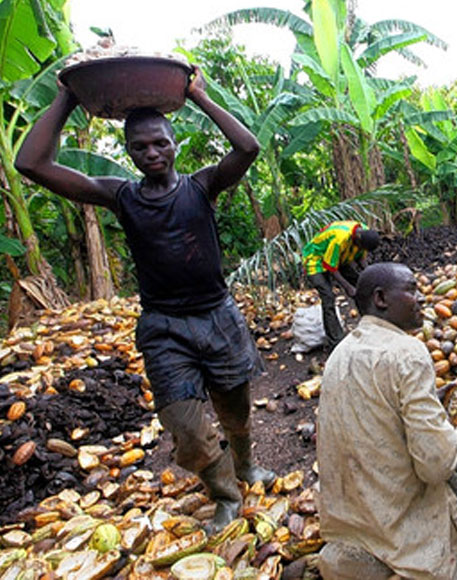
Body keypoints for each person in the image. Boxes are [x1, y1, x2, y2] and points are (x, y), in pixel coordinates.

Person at [15, 66, 274, 532]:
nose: (152, 152)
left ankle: (245, 465)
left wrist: (197, 96)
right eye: (140, 147)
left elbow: (248, 148)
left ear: (175, 145)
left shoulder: (201, 186)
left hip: (218, 317)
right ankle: (225, 494)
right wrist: (67, 99)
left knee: (235, 415)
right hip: (164, 328)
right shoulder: (121, 196)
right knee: (188, 433)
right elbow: (31, 165)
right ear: (129, 153)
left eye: (160, 143)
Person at [316, 262, 457, 580]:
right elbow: (436, 466)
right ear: (381, 299)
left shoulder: (339, 353)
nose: (420, 299)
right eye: (411, 290)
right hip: (405, 519)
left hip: (354, 517)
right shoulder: (408, 352)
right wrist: (452, 432)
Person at [301, 220, 380, 349]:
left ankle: (371, 326)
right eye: (360, 247)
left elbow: (361, 259)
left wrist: (370, 276)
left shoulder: (364, 231)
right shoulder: (340, 238)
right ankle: (336, 342)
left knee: (362, 286)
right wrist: (347, 287)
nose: (360, 250)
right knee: (328, 297)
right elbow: (331, 267)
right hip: (315, 260)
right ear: (357, 239)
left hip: (340, 257)